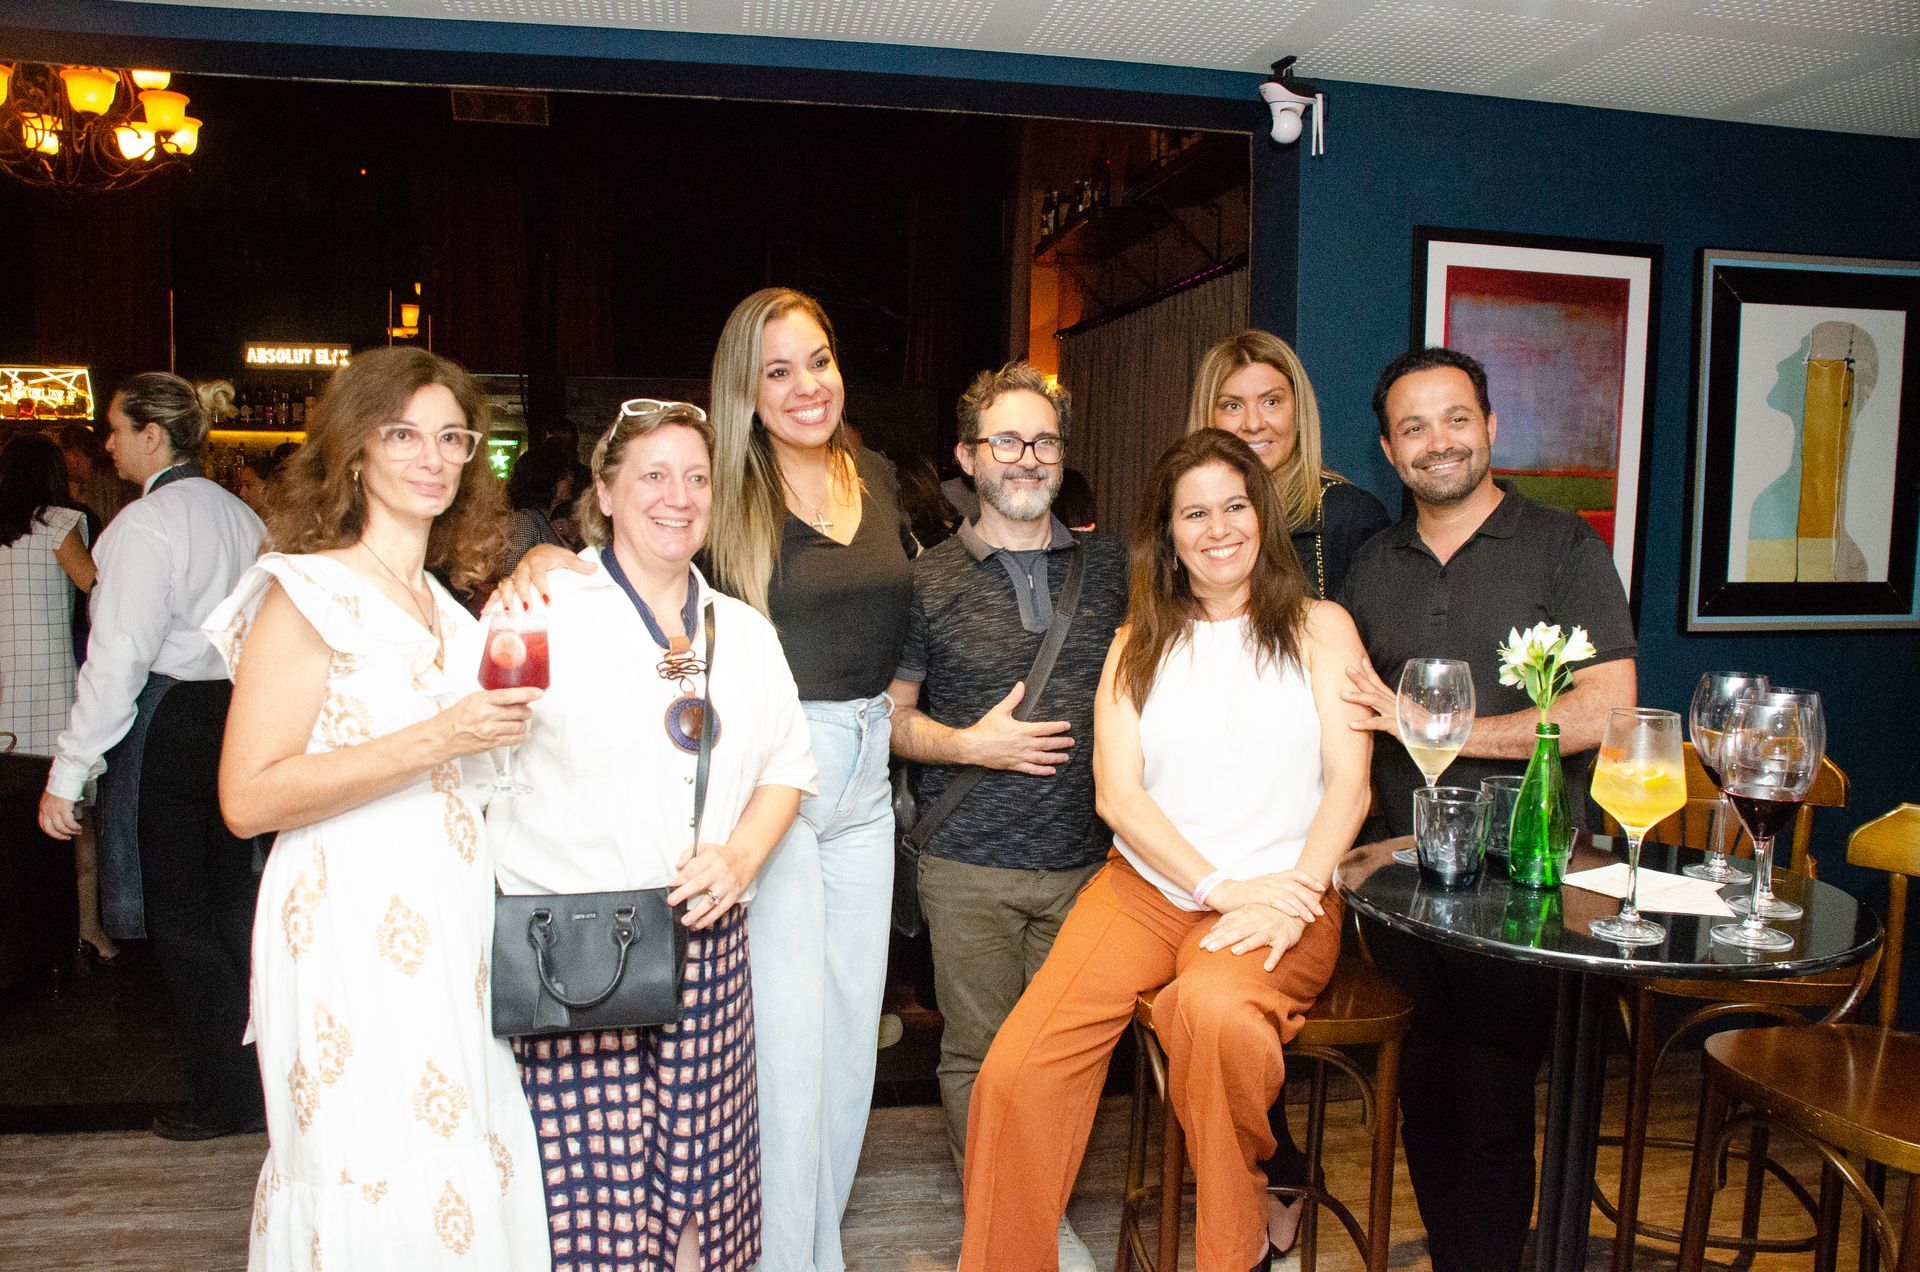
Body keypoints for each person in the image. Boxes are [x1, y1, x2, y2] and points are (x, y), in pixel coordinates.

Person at [502, 287, 913, 1271]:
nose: (806, 384)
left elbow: (910, 610)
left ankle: (811, 1245)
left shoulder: (882, 479)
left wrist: (914, 709)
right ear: (746, 389)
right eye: (778, 369)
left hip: (855, 771)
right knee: (777, 1046)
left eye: (818, 360)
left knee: (847, 1040)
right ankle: (779, 1254)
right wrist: (542, 561)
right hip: (754, 779)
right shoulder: (724, 488)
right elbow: (637, 561)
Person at [961, 428, 1372, 1272]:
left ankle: (1236, 1250)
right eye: (1196, 513)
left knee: (1212, 1015)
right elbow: (1119, 797)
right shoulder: (1135, 643)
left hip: (1287, 895)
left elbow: (1350, 784)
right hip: (1150, 892)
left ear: (1261, 515)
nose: (1219, 528)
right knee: (1017, 1071)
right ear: (1169, 533)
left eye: (1235, 506)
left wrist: (1294, 890)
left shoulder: (1322, 627)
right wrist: (1219, 886)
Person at [203, 346, 549, 1267]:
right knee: (372, 1153)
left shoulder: (445, 604)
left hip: (450, 913)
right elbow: (246, 797)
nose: (431, 457)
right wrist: (445, 737)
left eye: (451, 437)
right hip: (348, 918)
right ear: (354, 451)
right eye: (402, 434)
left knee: (454, 1140)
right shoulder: (306, 593)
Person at [492, 400, 816, 1272]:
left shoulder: (744, 631)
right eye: (653, 475)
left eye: (696, 477)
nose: (678, 497)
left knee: (700, 1186)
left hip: (705, 934)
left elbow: (789, 765)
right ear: (603, 491)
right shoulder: (538, 607)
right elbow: (473, 764)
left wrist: (741, 855)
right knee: (585, 1199)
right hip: (573, 944)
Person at [1337, 346, 1637, 1272]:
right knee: (1425, 1099)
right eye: (1414, 426)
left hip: (1530, 882)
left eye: (1456, 418)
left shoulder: (1561, 546)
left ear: (1491, 427)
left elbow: (1606, 710)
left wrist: (1440, 726)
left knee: (1492, 1100)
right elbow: (1346, 714)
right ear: (1389, 450)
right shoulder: (1369, 565)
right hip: (1404, 888)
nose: (1439, 442)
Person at [886, 363, 1129, 1271]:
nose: (1027, 459)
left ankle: (1038, 1209)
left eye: (1044, 441)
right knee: (980, 1056)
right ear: (968, 457)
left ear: (1063, 458)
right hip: (966, 863)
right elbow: (893, 718)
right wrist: (970, 746)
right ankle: (1007, 1221)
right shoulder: (928, 581)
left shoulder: (1114, 569)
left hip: (1092, 866)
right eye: (1007, 441)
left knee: (1066, 1058)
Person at [38, 373, 267, 1141]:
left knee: (182, 916)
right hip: (238, 716)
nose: (105, 444)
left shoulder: (143, 527)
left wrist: (69, 772)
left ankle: (224, 1096)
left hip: (169, 719)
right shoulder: (242, 516)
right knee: (235, 907)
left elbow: (118, 662)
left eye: (114, 429)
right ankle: (259, 1087)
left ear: (153, 435)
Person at [0, 435, 106, 960]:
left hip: (3, 689)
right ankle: (74, 933)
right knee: (65, 818)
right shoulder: (62, 524)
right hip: (45, 686)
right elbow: (96, 587)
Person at [1187, 330, 1390, 599]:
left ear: (1298, 410)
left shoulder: (1349, 516)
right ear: (1208, 416)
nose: (1253, 423)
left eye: (1271, 402)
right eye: (1232, 406)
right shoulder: (1181, 522)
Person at [501, 440, 576, 573]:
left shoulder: (542, 518)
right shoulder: (524, 521)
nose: (571, 480)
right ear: (547, 481)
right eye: (564, 476)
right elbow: (513, 572)